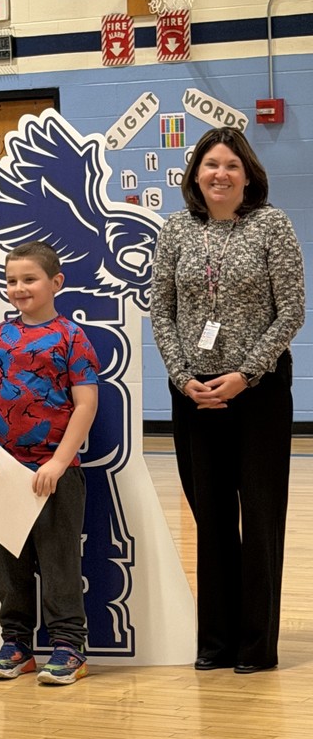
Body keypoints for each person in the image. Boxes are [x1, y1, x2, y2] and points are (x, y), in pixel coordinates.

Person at [149, 127, 305, 674]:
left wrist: (244, 374)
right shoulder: (174, 231)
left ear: (248, 175)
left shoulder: (272, 226)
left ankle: (256, 646)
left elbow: (291, 311)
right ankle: (214, 642)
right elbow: (160, 310)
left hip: (257, 394)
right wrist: (182, 375)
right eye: (211, 164)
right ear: (195, 173)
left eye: (232, 166)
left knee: (260, 518)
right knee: (210, 519)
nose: (220, 174)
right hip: (193, 394)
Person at [0, 240, 100, 685]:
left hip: (54, 475)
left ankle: (69, 647)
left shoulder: (71, 337)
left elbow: (85, 404)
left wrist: (60, 462)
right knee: (8, 562)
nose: (19, 288)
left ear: (55, 282)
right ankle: (16, 643)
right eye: (11, 281)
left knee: (60, 562)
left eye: (29, 279)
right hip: (5, 471)